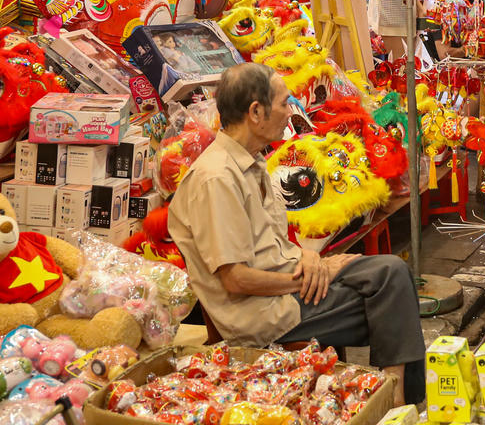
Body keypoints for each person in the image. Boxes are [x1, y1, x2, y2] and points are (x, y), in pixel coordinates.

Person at [169, 64, 424, 405]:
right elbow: (235, 279)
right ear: (256, 112)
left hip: (288, 276)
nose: (291, 111)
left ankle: (392, 399)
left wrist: (310, 258)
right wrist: (305, 278)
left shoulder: (251, 161)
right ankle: (395, 401)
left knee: (390, 272)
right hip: (266, 311)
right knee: (394, 293)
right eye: (284, 103)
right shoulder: (216, 179)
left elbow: (273, 241)